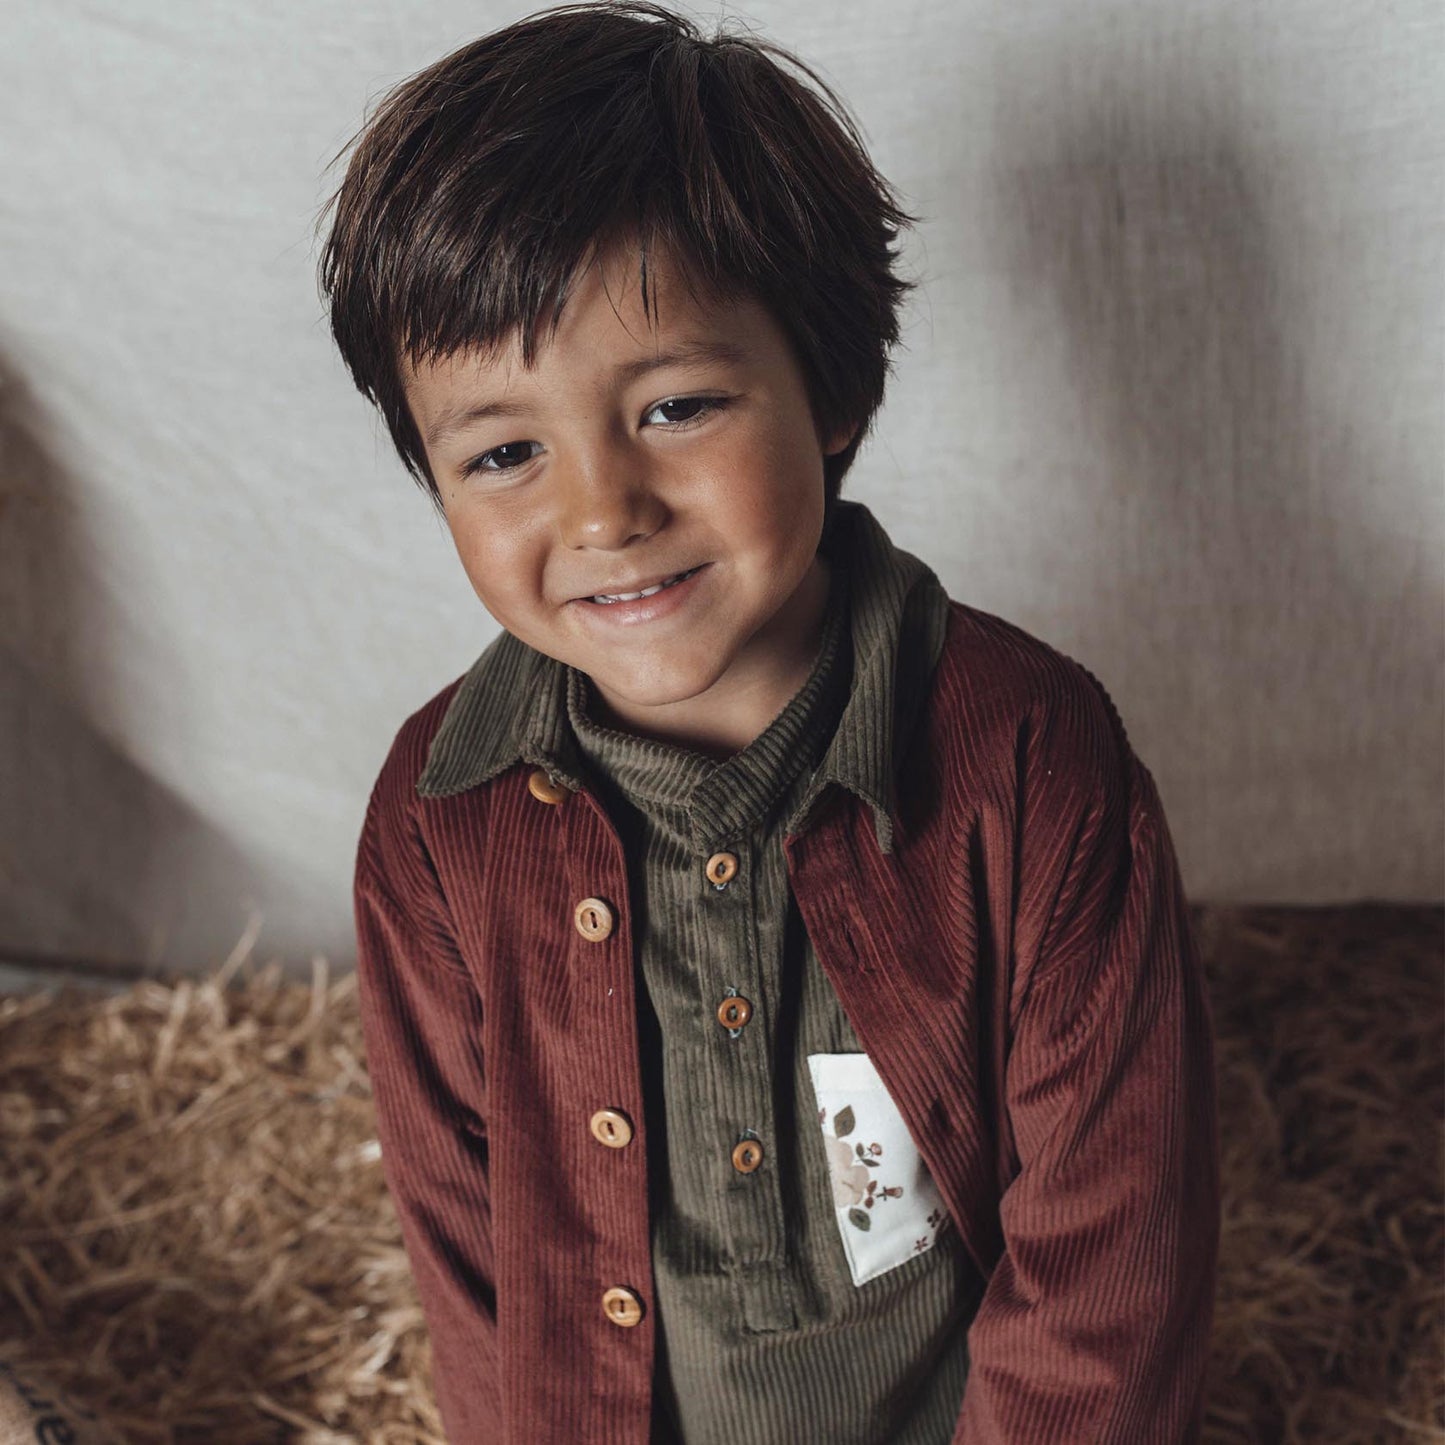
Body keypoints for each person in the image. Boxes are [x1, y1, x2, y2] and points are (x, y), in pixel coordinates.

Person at [319, 4, 1221, 1441]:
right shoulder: (438, 820)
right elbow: (469, 1254)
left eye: (675, 405)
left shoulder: (1031, 761)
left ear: (836, 389)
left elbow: (1110, 1260)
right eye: (503, 452)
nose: (603, 510)